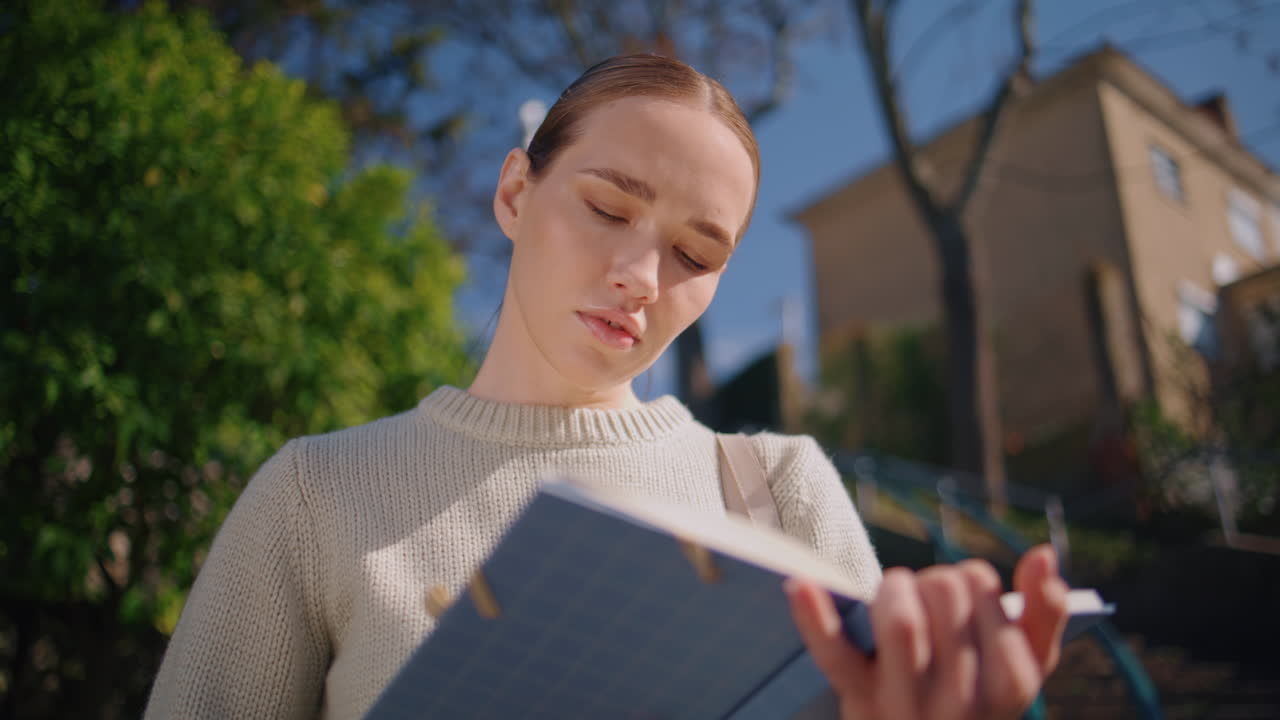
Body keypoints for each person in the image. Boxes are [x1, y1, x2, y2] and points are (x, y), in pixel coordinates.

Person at [145, 54, 1069, 720]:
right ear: (514, 194)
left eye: (696, 253)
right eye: (606, 208)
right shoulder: (316, 494)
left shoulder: (778, 489)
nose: (641, 272)